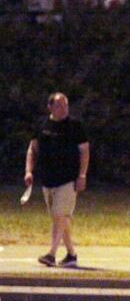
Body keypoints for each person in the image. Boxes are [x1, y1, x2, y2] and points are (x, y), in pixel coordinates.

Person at [24, 92, 90, 268]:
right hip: (47, 179)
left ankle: (51, 254)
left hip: (68, 180)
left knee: (59, 215)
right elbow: (33, 149)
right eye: (59, 105)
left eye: (66, 105)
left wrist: (82, 175)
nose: (64, 109)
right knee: (60, 218)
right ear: (50, 107)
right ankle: (71, 254)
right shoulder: (42, 125)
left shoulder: (75, 126)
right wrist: (28, 171)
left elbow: (84, 151)